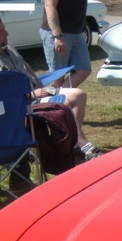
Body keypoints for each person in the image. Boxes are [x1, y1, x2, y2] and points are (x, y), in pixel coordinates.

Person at [0, 17, 101, 160]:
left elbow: (24, 64)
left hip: (35, 91)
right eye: (1, 31)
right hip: (23, 104)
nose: (7, 33)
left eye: (4, 29)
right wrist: (31, 93)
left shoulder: (7, 45)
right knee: (64, 106)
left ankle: (73, 144)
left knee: (79, 95)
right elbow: (4, 98)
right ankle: (83, 145)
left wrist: (37, 81)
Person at [40, 0, 91, 87]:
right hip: (58, 33)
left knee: (83, 70)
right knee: (57, 76)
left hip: (77, 32)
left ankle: (61, 97)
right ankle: (52, 99)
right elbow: (49, 6)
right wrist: (58, 36)